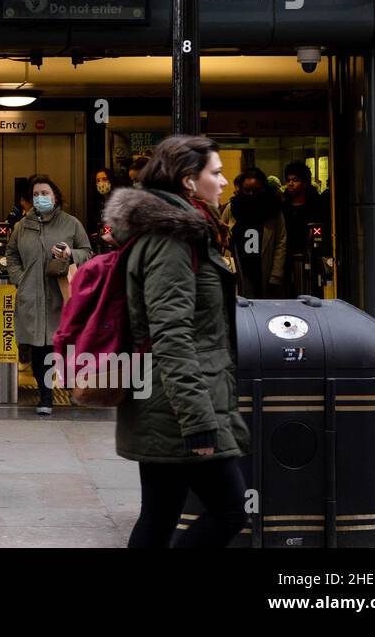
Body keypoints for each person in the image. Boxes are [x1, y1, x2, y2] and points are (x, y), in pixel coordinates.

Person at [102, 134, 250, 548]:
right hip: (179, 406)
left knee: (160, 513)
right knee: (229, 512)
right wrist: (199, 422)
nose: (224, 182)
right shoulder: (172, 240)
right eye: (216, 173)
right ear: (188, 181)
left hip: (170, 403)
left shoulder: (182, 232)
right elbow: (171, 334)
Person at [6, 174, 93, 415]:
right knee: (39, 347)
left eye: (45, 193)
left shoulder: (71, 223)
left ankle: (73, 388)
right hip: (32, 293)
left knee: (64, 345)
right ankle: (45, 396)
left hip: (61, 295)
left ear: (55, 196)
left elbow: (88, 252)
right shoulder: (22, 226)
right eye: (35, 194)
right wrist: (19, 277)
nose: (40, 198)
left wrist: (70, 254)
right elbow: (11, 254)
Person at [220, 168, 287, 298]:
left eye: (255, 190)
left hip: (265, 268)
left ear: (263, 189)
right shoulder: (233, 207)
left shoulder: (273, 209)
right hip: (240, 266)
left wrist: (276, 275)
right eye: (247, 190)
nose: (251, 194)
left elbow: (281, 242)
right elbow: (221, 233)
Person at [281, 160, 331, 294]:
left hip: (311, 257)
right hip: (288, 257)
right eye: (288, 180)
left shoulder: (317, 205)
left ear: (304, 183)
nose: (290, 184)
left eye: (295, 180)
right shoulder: (283, 206)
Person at [88, 166, 115, 252]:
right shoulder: (96, 204)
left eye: (104, 179)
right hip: (101, 248)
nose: (101, 183)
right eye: (98, 180)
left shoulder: (120, 202)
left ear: (111, 180)